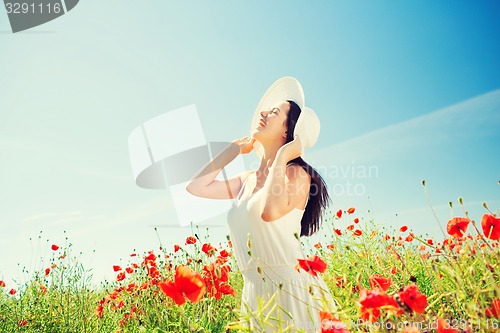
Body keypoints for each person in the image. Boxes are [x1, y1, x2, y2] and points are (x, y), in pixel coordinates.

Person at [186, 77, 335, 332]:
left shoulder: (297, 174)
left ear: (288, 131)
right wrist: (230, 151)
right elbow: (196, 186)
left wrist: (283, 155)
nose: (263, 113)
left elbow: (269, 211)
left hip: (292, 291)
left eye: (274, 112)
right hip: (254, 293)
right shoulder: (247, 180)